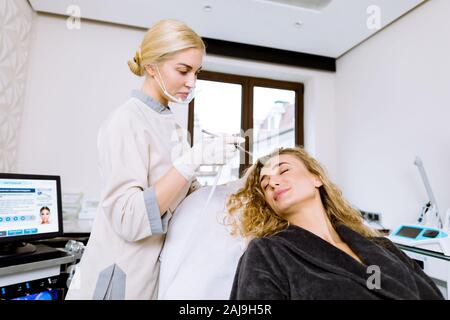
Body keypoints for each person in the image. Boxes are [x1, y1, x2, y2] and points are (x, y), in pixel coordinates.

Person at [65, 19, 242, 300]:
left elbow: (182, 201)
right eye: (183, 70)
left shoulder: (171, 126)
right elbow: (130, 219)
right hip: (119, 277)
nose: (192, 82)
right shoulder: (126, 121)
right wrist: (192, 160)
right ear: (151, 67)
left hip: (151, 274)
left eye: (196, 71)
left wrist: (235, 189)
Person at [226, 147, 444, 300]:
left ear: (316, 179)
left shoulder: (383, 247)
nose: (273, 182)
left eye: (284, 170)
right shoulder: (267, 252)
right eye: (265, 185)